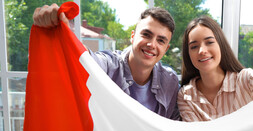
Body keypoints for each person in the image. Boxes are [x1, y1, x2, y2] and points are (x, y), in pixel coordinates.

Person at [33, 4, 180, 120]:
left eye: (160, 40)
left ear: (166, 49)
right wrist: (60, 31)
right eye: (146, 35)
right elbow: (84, 59)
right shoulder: (109, 66)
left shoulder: (170, 81)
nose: (152, 44)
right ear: (133, 36)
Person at [178, 16, 253, 122]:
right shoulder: (186, 95)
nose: (202, 50)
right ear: (188, 54)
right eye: (194, 46)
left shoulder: (244, 80)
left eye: (209, 42)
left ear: (221, 45)